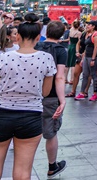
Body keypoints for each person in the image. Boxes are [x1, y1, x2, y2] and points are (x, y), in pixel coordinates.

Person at [0, 14, 57, 180]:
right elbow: (45, 92)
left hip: (1, 114)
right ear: (38, 37)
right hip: (31, 116)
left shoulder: (3, 58)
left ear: (17, 36)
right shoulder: (46, 59)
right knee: (23, 173)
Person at [35, 20, 68, 178]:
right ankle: (52, 166)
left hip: (33, 94)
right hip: (51, 96)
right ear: (62, 34)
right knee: (50, 132)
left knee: (30, 132)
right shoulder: (61, 51)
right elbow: (59, 77)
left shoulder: (36, 46)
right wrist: (62, 100)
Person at [75, 20, 97, 101]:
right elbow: (86, 48)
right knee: (85, 74)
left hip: (92, 57)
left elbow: (96, 48)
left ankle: (95, 94)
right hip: (86, 56)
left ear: (93, 26)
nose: (87, 26)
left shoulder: (96, 35)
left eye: (89, 25)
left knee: (93, 74)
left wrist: (93, 59)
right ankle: (82, 92)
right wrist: (83, 58)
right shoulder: (87, 34)